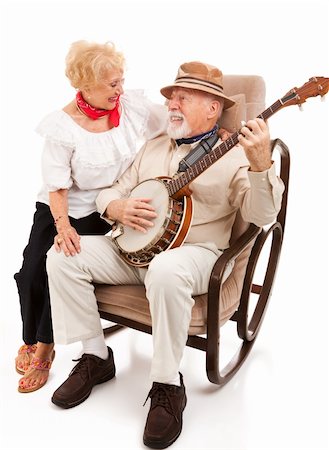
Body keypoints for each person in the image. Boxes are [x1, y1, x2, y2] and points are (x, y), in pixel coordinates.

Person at [46, 61, 284, 448]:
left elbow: (262, 216)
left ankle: (167, 384)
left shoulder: (235, 154)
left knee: (167, 269)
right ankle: (95, 356)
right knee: (62, 255)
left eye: (183, 97)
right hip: (134, 250)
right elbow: (111, 190)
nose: (172, 103)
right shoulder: (155, 146)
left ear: (213, 108)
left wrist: (260, 164)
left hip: (195, 256)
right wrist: (115, 209)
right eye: (172, 96)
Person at [14, 40, 167, 394]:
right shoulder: (62, 126)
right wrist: (63, 226)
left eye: (121, 80)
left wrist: (214, 132)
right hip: (63, 206)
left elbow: (173, 124)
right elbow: (57, 189)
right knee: (32, 270)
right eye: (112, 84)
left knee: (61, 265)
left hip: (106, 206)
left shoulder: (132, 108)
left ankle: (44, 346)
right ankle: (32, 335)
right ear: (85, 85)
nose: (120, 89)